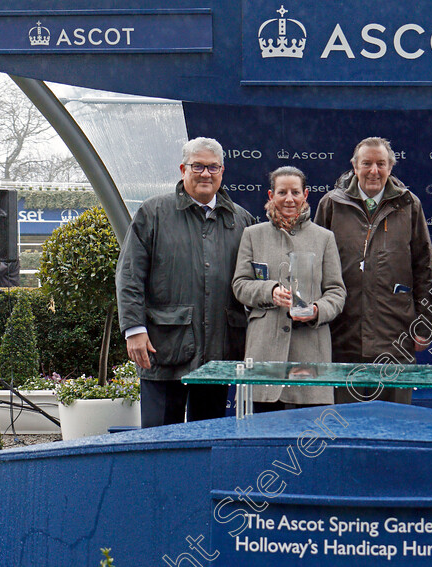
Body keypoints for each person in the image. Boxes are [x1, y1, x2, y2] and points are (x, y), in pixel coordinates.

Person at [116, 137, 255, 427]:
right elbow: (129, 274)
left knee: (206, 442)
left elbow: (253, 283)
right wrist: (133, 329)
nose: (206, 174)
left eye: (213, 167)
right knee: (158, 444)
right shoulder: (153, 213)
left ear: (222, 171)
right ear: (183, 169)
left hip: (220, 350)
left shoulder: (241, 220)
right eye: (198, 166)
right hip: (163, 349)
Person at [314, 137, 432, 404]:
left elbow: (424, 268)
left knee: (394, 424)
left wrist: (425, 323)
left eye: (381, 163)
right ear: (355, 167)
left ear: (390, 168)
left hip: (395, 335)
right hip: (341, 334)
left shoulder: (408, 205)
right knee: (340, 424)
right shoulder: (331, 204)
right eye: (366, 163)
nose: (374, 171)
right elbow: (315, 267)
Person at [232, 166, 346, 411]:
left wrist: (317, 310)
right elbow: (240, 285)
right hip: (264, 351)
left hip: (309, 352)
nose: (289, 199)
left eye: (295, 192)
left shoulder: (324, 238)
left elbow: (337, 292)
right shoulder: (252, 235)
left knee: (306, 434)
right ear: (271, 196)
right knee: (263, 437)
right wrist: (269, 291)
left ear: (305, 195)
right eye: (282, 192)